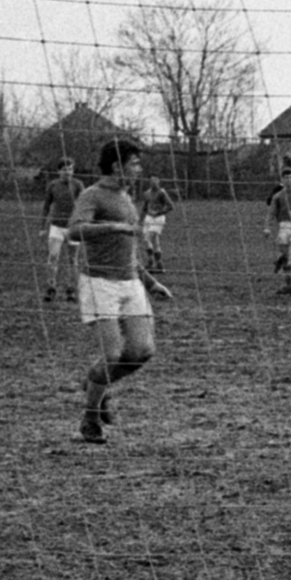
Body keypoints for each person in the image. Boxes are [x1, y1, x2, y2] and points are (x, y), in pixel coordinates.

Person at [67, 138, 172, 443]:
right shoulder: (92, 195)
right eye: (135, 163)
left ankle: (93, 385)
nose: (139, 169)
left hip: (131, 282)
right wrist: (111, 228)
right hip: (99, 282)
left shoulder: (127, 197)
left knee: (142, 351)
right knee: (112, 354)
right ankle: (90, 419)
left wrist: (151, 283)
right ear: (117, 166)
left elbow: (128, 252)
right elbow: (74, 231)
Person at [40, 156, 84, 302]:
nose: (68, 172)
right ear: (59, 171)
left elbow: (85, 205)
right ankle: (51, 288)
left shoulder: (78, 185)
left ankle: (71, 290)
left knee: (73, 260)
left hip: (73, 228)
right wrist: (42, 226)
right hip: (56, 227)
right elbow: (46, 206)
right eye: (65, 169)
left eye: (70, 169)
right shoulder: (53, 185)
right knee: (53, 257)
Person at [137, 175, 176, 274]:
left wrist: (159, 213)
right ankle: (159, 265)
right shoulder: (147, 193)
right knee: (154, 241)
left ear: (158, 181)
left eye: (155, 180)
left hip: (158, 218)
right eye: (151, 180)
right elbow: (145, 208)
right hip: (148, 218)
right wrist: (140, 220)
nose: (153, 182)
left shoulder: (161, 193)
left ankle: (151, 261)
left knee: (148, 237)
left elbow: (171, 206)